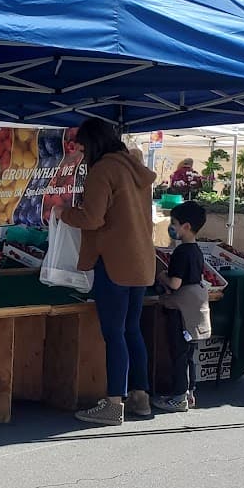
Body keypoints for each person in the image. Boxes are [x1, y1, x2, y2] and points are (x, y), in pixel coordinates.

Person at [58, 118, 157, 425]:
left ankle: (114, 404)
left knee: (114, 333)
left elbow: (92, 218)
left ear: (94, 144)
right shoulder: (132, 168)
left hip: (114, 262)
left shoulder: (103, 171)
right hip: (141, 260)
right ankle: (141, 397)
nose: (83, 153)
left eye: (84, 147)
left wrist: (64, 213)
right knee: (131, 330)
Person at [153, 200, 211, 414]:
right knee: (189, 354)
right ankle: (189, 393)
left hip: (181, 312)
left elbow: (175, 283)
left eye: (174, 223)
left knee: (178, 353)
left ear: (186, 226)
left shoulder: (181, 253)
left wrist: (161, 275)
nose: (172, 227)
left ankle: (178, 397)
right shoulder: (196, 250)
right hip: (194, 312)